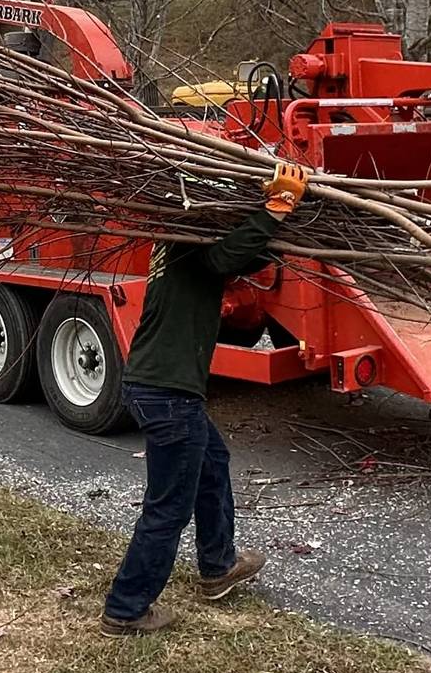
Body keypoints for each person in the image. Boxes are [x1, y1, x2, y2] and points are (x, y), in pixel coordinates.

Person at [101, 159, 308, 636]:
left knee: (213, 462)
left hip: (159, 389)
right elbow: (223, 259)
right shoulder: (188, 242)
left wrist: (271, 223)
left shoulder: (176, 240)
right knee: (169, 505)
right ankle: (126, 608)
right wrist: (275, 210)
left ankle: (217, 566)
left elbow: (239, 258)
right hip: (167, 394)